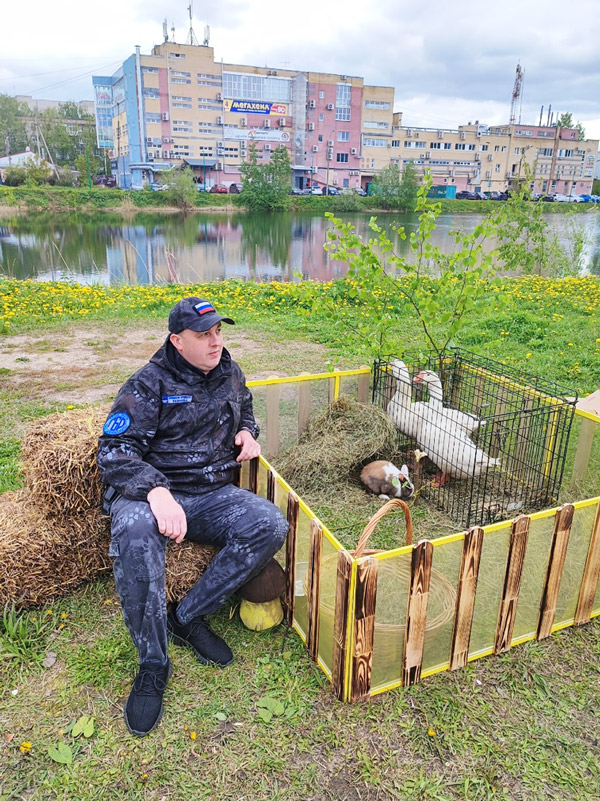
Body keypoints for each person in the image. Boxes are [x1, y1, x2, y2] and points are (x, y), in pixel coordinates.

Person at [97, 297, 288, 737]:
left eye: (218, 331)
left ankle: (185, 615)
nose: (215, 341)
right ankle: (153, 662)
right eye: (203, 335)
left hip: (210, 493)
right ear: (177, 341)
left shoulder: (229, 372)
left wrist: (248, 432)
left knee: (270, 524)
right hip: (153, 494)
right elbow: (114, 451)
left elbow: (246, 408)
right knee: (134, 530)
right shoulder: (148, 384)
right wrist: (156, 491)